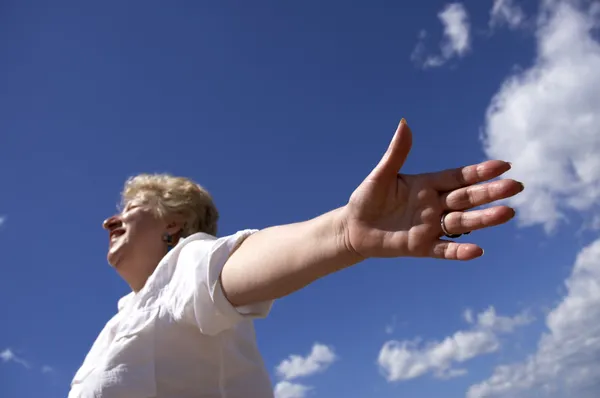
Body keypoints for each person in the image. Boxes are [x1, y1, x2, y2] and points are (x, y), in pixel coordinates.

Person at [68, 119, 524, 398]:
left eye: (130, 211)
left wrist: (344, 233)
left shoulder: (186, 267)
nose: (110, 222)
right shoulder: (126, 316)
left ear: (175, 224)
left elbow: (227, 268)